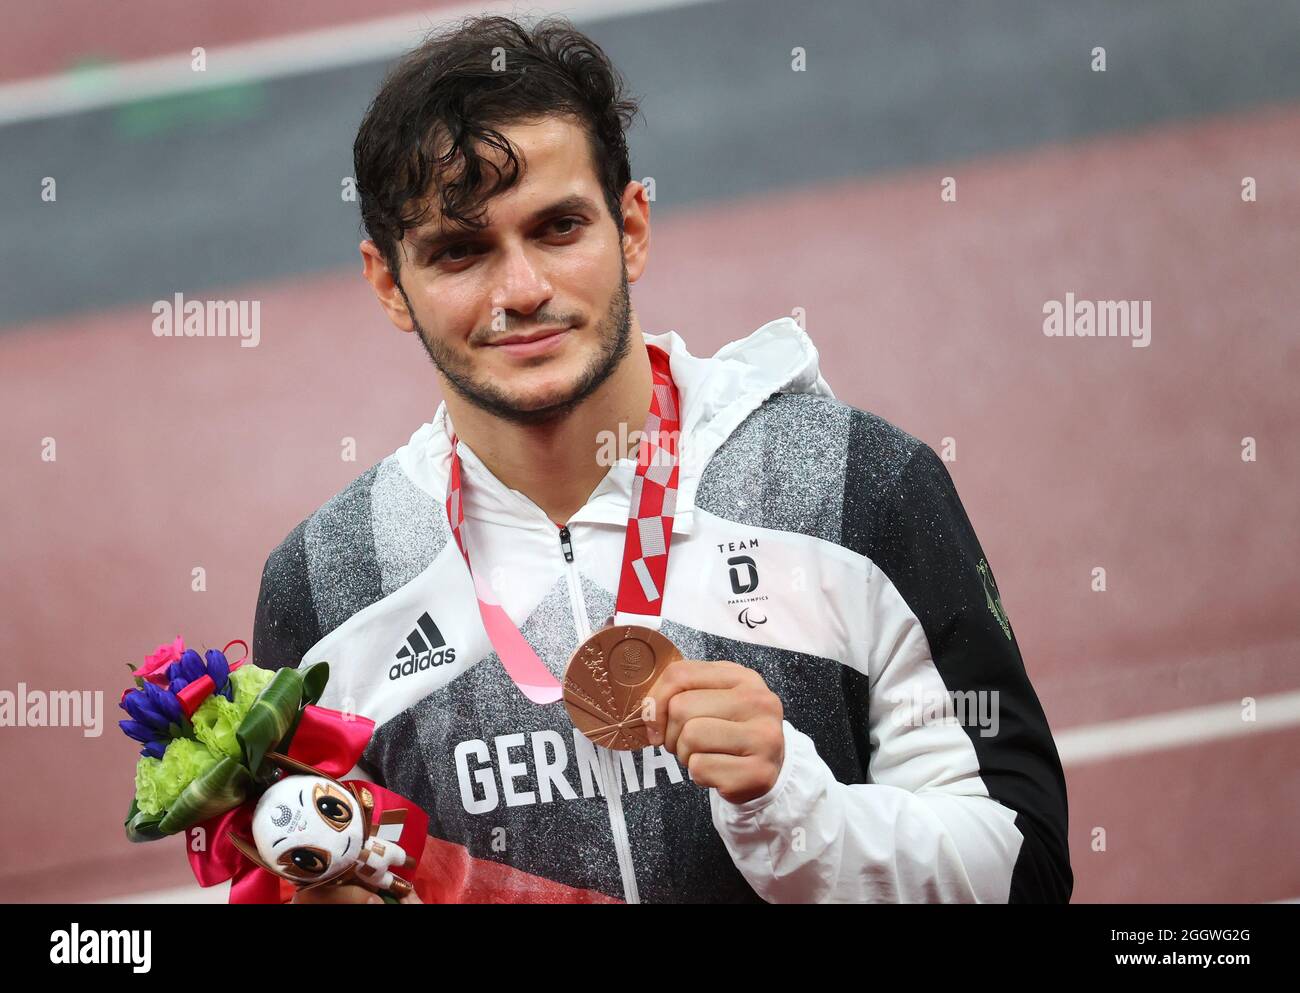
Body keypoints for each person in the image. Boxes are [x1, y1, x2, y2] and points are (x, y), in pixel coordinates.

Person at [253, 14, 1072, 904]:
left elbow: (1023, 870)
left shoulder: (854, 487)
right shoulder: (328, 582)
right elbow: (306, 861)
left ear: (631, 227)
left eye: (559, 228)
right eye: (461, 251)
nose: (522, 290)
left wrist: (792, 806)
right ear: (388, 283)